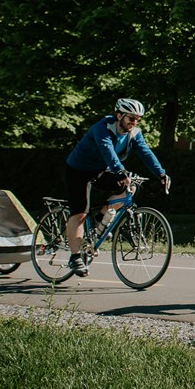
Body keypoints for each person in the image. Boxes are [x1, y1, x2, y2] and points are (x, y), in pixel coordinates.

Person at [63, 98, 170, 276]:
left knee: (130, 188)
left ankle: (99, 220)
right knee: (80, 212)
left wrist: (161, 173)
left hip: (101, 171)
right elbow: (107, 150)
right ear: (119, 115)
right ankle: (75, 257)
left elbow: (145, 152)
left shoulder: (134, 133)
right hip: (78, 171)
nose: (134, 122)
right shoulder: (102, 127)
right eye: (131, 118)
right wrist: (120, 170)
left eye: (137, 119)